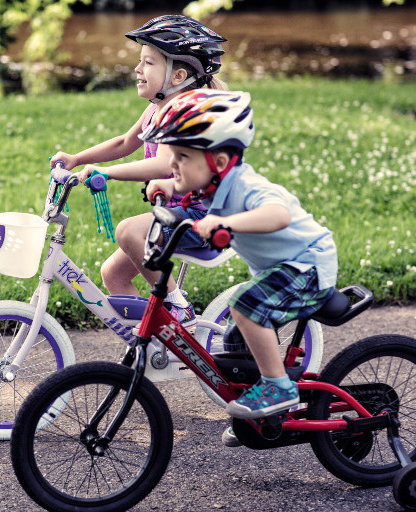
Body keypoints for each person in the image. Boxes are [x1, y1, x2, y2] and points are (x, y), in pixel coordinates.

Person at [143, 89, 338, 421]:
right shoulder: (211, 185)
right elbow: (189, 189)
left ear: (219, 162)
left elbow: (278, 215)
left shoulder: (248, 186)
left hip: (308, 267)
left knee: (244, 306)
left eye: (182, 156)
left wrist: (226, 223)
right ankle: (259, 419)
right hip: (281, 270)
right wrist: (170, 186)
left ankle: (279, 388)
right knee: (235, 341)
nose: (172, 164)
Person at [50, 15, 228, 332]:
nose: (137, 69)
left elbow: (164, 164)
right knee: (114, 274)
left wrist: (108, 173)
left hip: (202, 218)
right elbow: (124, 143)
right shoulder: (156, 109)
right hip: (176, 214)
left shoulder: (183, 113)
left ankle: (178, 307)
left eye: (148, 62)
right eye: (140, 61)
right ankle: (162, 342)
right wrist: (77, 158)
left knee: (129, 231)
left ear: (178, 76)